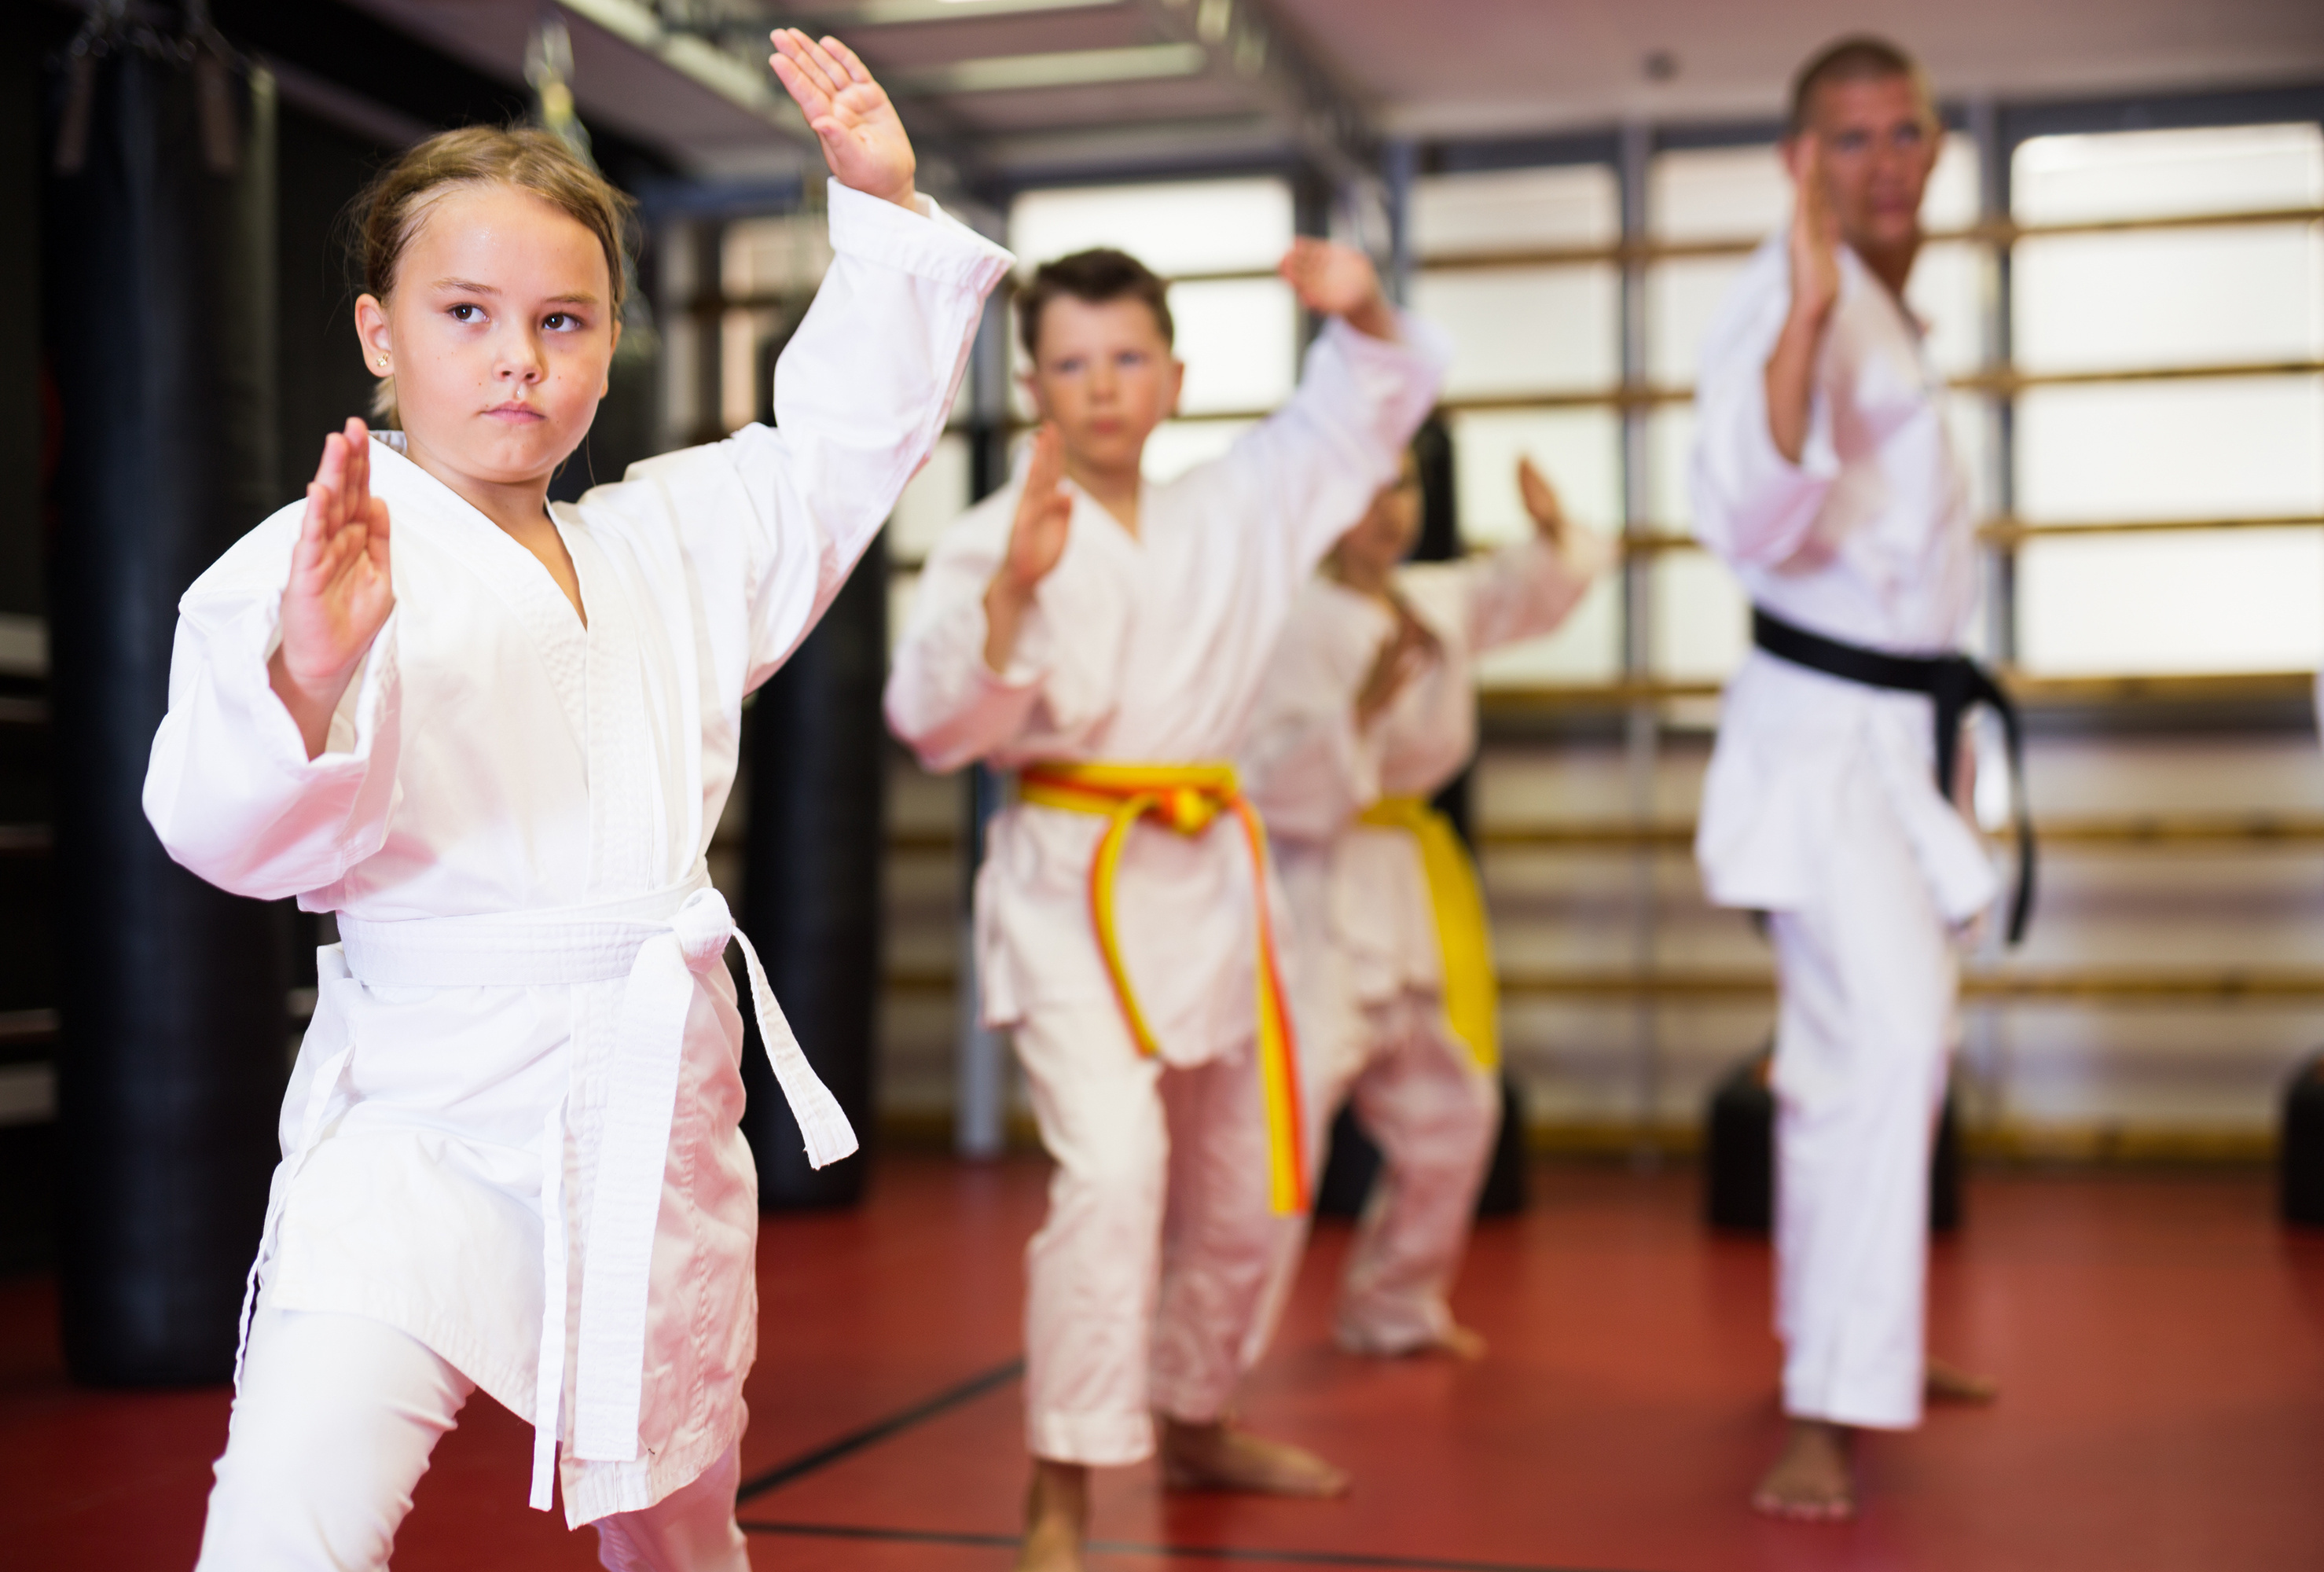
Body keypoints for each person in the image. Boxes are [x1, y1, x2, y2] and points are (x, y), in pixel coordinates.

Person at [142, 31, 1011, 1570]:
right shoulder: (317, 563)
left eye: (561, 320)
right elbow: (220, 831)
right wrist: (306, 675)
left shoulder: (664, 544)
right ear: (377, 333)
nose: (515, 359)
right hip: (418, 1117)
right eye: (463, 314)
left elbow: (833, 453)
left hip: (643, 1109)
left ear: (612, 349)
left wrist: (877, 208)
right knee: (285, 1521)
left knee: (677, 1523)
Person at [884, 244, 1445, 1572]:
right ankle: (1062, 1481)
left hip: (1213, 871)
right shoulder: (991, 531)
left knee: (1252, 1183)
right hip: (1074, 883)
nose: (1102, 389)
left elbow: (1368, 399)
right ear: (1032, 387)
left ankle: (1194, 1411)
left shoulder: (1239, 506)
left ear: (1175, 376)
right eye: (1071, 364)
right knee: (1115, 1174)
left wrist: (1359, 304)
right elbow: (927, 722)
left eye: (1127, 358)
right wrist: (1015, 587)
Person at [1689, 34, 2006, 1524]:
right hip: (1824, 748)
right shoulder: (1789, 295)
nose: (1882, 160)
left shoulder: (1885, 301)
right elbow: (1749, 511)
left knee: (1859, 1053)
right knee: (1884, 1045)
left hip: (1899, 743)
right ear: (1796, 161)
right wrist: (1808, 318)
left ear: (1934, 144)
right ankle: (1828, 1398)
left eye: (1903, 132)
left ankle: (1849, 1343)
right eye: (1849, 138)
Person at [1240, 454, 1607, 1359]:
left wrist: (1552, 534)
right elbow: (1261, 780)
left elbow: (1519, 592)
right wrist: (1354, 719)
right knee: (1274, 1132)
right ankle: (1208, 1358)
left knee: (1454, 1108)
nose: (1386, 508)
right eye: (1361, 485)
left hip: (1406, 881)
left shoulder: (1428, 602)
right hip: (1315, 890)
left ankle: (1392, 1302)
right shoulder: (1281, 620)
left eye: (1400, 485)